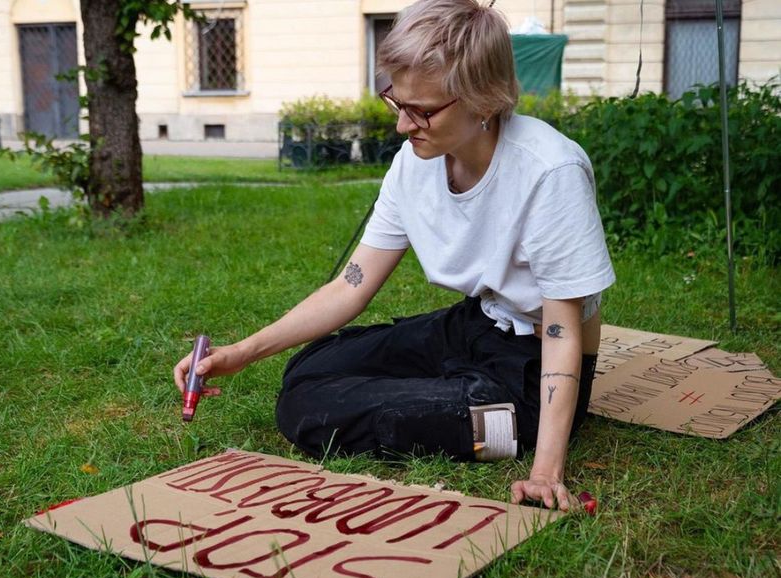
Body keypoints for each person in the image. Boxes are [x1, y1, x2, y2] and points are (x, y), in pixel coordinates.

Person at [174, 0, 615, 512]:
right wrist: (239, 353)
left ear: (484, 101)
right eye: (396, 102)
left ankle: (493, 420)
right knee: (308, 368)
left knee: (306, 408)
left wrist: (545, 470)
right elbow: (351, 285)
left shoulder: (548, 171)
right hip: (477, 323)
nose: (403, 126)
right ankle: (452, 392)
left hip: (534, 369)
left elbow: (565, 329)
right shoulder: (417, 160)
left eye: (422, 110)